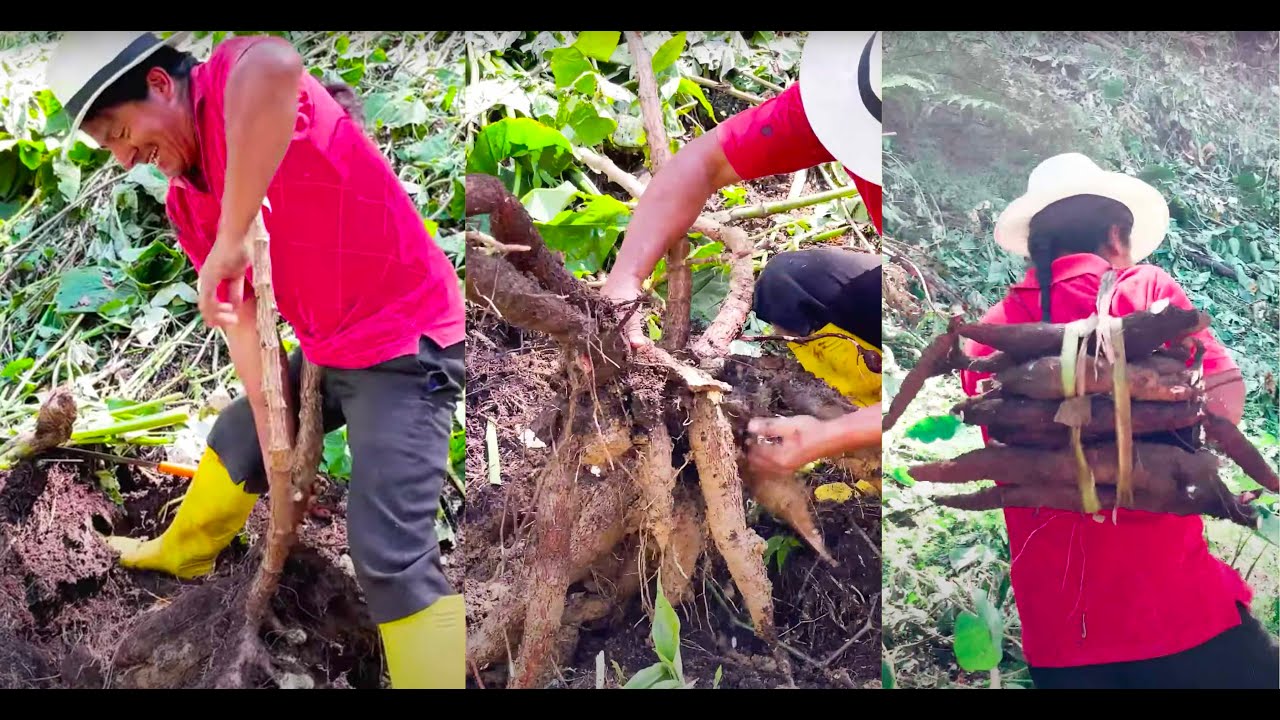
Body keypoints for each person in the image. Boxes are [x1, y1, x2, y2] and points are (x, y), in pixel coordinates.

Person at [44, 31, 465, 688]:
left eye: (121, 133)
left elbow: (276, 65)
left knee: (388, 554)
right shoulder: (188, 199)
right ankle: (180, 554)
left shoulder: (240, 79)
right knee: (237, 433)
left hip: (406, 344)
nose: (126, 159)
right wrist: (277, 451)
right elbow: (244, 323)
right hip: (330, 346)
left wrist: (236, 233)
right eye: (110, 150)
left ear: (159, 83)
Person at [959, 152, 1278, 689]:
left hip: (1061, 635)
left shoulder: (986, 334)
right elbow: (1225, 398)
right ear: (1115, 235)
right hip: (1179, 612)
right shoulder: (1147, 294)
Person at [599, 31, 884, 477]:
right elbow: (702, 163)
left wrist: (833, 436)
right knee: (790, 285)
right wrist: (624, 281)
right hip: (930, 297)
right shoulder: (861, 95)